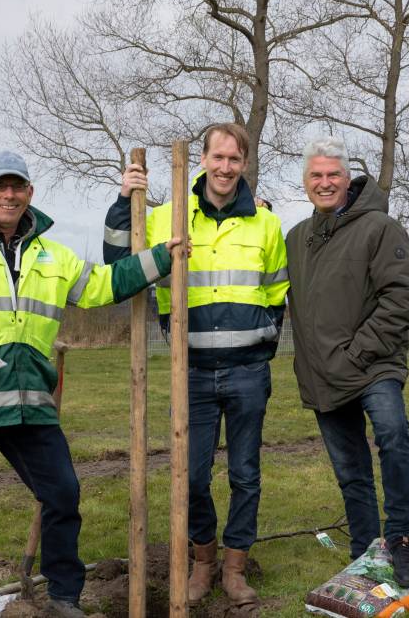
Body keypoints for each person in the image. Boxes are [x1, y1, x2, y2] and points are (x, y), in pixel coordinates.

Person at [0, 150, 184, 618]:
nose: (9, 195)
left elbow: (103, 286)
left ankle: (64, 597)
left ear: (29, 193)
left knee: (63, 494)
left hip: (30, 406)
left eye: (18, 187)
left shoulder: (52, 253)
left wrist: (160, 259)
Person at [103, 123, 289, 606]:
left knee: (245, 473)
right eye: (218, 157)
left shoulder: (265, 223)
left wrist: (265, 335)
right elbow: (117, 262)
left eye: (235, 159)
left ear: (244, 164)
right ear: (203, 160)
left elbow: (277, 289)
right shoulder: (169, 218)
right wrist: (126, 200)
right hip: (193, 372)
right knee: (193, 475)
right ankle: (203, 560)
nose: (226, 167)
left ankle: (234, 568)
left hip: (249, 371)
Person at [284, 136, 409, 588]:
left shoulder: (380, 228)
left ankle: (399, 538)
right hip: (323, 372)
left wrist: (359, 351)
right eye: (316, 176)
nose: (325, 183)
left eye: (333, 175)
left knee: (393, 435)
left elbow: (402, 299)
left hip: (372, 365)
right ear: (306, 183)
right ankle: (366, 549)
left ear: (348, 179)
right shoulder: (297, 239)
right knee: (350, 471)